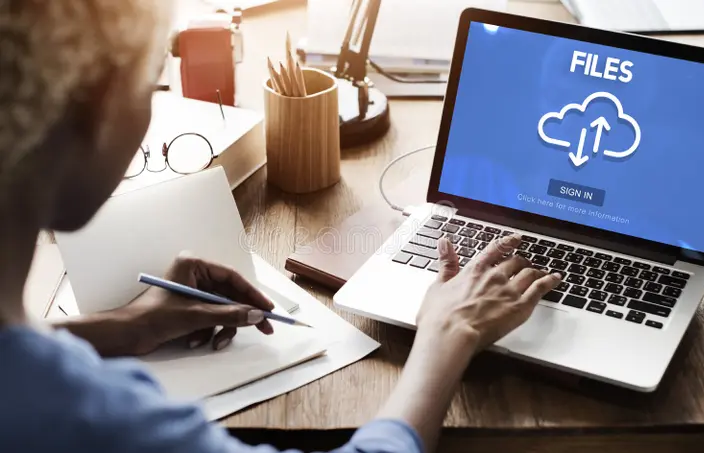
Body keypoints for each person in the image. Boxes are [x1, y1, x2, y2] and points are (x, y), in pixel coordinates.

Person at [0, 2, 560, 452]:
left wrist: (118, 327)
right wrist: (446, 334)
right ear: (93, 112)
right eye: (150, 86)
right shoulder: (95, 418)